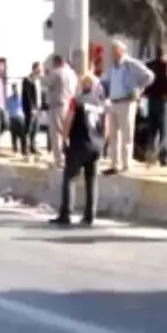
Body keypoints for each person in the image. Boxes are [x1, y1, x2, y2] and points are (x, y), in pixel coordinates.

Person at [51, 73, 104, 226]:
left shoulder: (77, 101)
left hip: (79, 143)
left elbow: (69, 120)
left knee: (70, 177)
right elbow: (105, 125)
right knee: (91, 180)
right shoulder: (99, 103)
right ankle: (90, 215)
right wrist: (102, 142)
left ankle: (66, 213)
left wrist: (64, 137)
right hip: (95, 144)